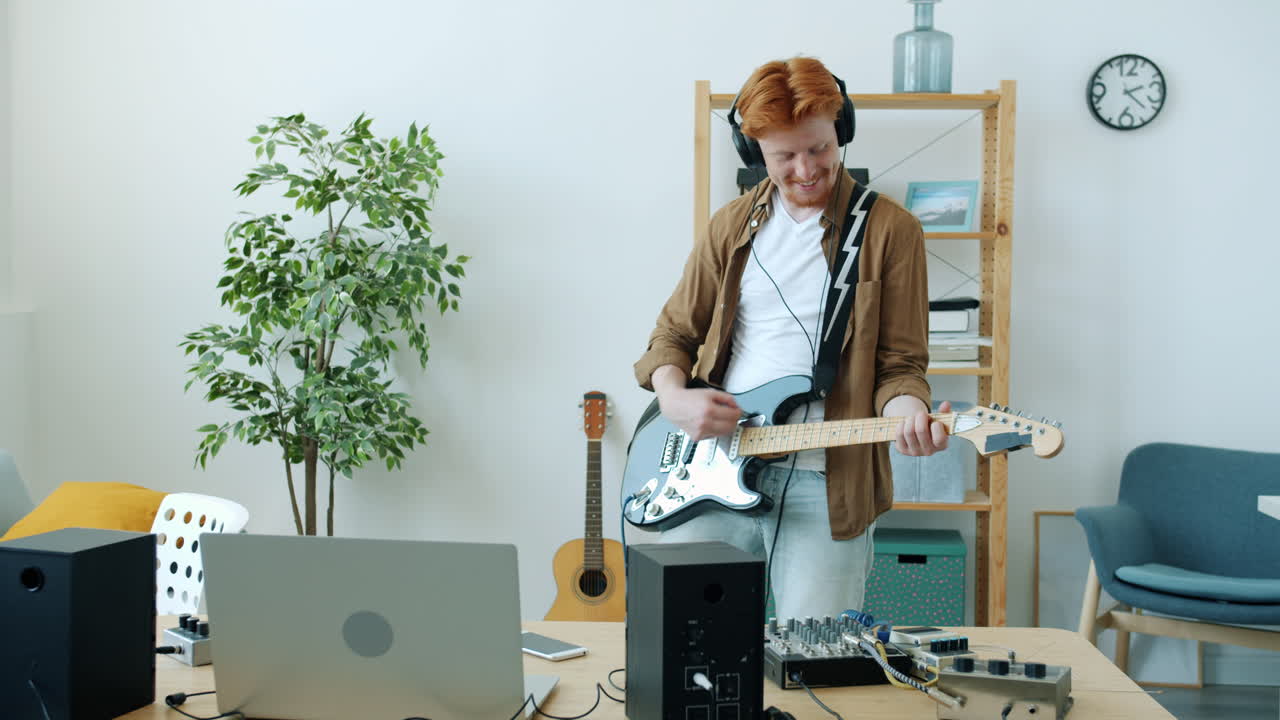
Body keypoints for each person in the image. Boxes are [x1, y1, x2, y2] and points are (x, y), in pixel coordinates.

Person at [632, 56, 950, 620]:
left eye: (820, 148)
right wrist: (676, 400)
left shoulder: (891, 230)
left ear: (840, 130)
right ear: (756, 153)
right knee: (690, 649)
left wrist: (910, 412)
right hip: (713, 468)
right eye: (785, 156)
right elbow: (674, 333)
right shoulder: (729, 225)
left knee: (813, 666)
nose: (806, 169)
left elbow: (901, 363)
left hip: (827, 486)